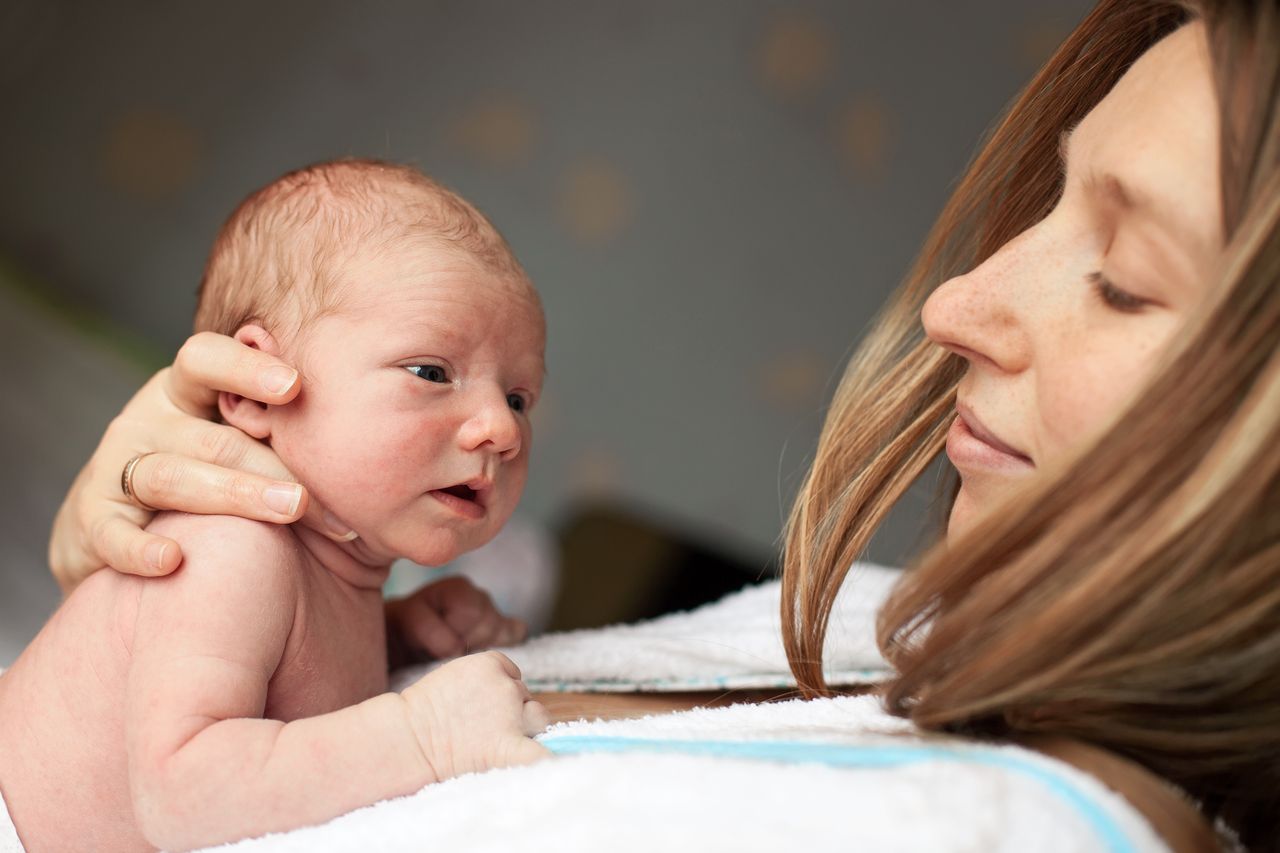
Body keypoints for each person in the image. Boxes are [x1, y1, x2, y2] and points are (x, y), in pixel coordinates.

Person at [30, 0, 1280, 849]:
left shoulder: (978, 820)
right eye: (427, 373)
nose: (953, 302)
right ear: (260, 383)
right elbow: (226, 758)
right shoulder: (897, 628)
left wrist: (401, 701)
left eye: (1121, 273)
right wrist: (388, 643)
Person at [0, 160, 550, 851]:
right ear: (259, 388)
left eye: (518, 397)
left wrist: (397, 635)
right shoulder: (231, 547)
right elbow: (185, 795)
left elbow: (289, 688)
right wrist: (422, 734)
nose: (500, 429)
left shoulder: (333, 573)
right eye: (432, 372)